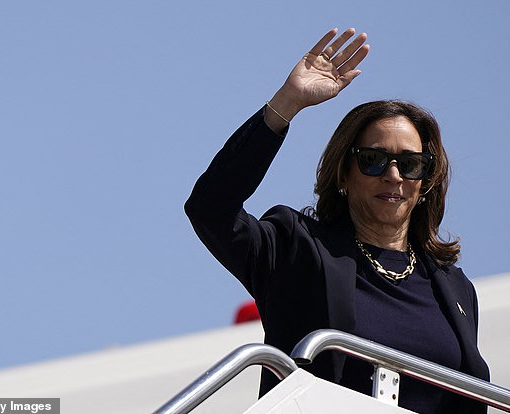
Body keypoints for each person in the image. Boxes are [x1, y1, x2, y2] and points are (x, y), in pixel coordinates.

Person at [184, 28, 490, 414]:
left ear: (425, 182)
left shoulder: (455, 288)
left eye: (411, 165)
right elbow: (211, 207)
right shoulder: (295, 249)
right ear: (343, 174)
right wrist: (286, 104)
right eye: (373, 160)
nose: (393, 176)